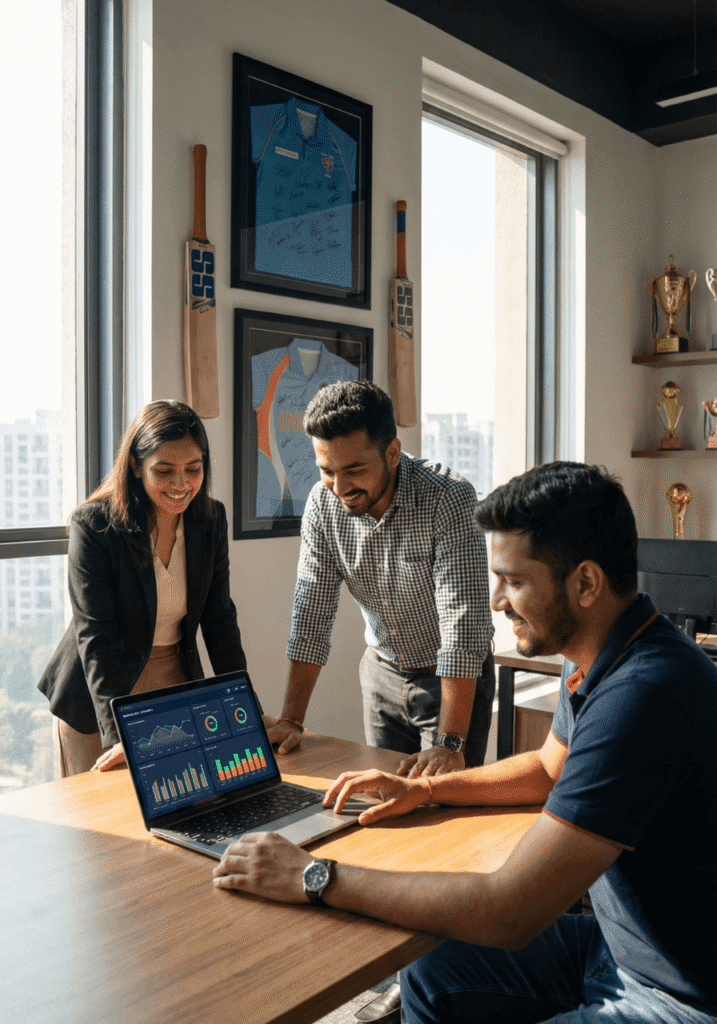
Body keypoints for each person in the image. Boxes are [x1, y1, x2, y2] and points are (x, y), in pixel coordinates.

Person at [214, 462, 717, 1024]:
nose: (497, 600)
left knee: (465, 931)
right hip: (617, 949)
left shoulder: (642, 695)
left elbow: (510, 912)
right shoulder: (605, 655)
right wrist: (425, 790)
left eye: (515, 581)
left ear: (585, 583)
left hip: (680, 995)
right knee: (431, 966)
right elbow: (551, 769)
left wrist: (314, 876)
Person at [266, 379, 495, 777]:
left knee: (443, 808)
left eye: (354, 470)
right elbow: (311, 616)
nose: (340, 488)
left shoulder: (449, 498)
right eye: (326, 471)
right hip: (380, 675)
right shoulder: (323, 505)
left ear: (392, 452)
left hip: (451, 681)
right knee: (382, 801)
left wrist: (450, 742)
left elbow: (464, 628)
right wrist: (291, 720)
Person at [39, 400, 249, 776]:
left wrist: (245, 709)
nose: (181, 484)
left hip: (173, 674)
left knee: (179, 797)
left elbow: (219, 620)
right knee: (103, 822)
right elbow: (96, 634)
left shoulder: (210, 519)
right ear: (135, 466)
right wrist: (119, 737)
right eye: (164, 471)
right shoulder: (95, 525)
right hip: (98, 689)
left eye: (193, 469)